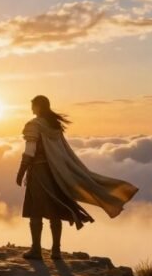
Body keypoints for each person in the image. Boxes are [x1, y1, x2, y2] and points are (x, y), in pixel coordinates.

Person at [16, 95, 139, 260]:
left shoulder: (33, 125)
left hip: (38, 173)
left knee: (35, 211)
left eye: (33, 106)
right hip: (56, 173)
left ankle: (36, 250)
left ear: (38, 106)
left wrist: (21, 170)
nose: (31, 109)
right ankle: (56, 251)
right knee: (54, 211)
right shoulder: (54, 126)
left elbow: (30, 150)